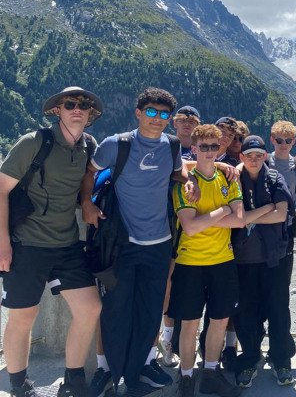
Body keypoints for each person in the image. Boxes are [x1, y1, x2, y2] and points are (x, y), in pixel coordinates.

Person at [82, 87, 192, 392]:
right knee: (115, 308)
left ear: (169, 119)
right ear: (139, 113)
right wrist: (87, 204)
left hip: (159, 243)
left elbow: (178, 173)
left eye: (163, 114)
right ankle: (107, 370)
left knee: (149, 308)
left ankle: (141, 366)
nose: (157, 119)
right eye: (152, 112)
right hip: (122, 244)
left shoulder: (171, 146)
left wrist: (191, 179)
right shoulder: (117, 144)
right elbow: (89, 174)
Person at [0, 87, 104, 397]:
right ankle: (20, 386)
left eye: (83, 105)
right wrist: (3, 242)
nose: (77, 109)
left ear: (90, 114)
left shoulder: (89, 145)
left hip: (67, 244)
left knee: (89, 309)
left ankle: (72, 381)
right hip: (26, 244)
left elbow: (89, 178)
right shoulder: (35, 142)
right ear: (57, 110)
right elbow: (1, 189)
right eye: (69, 104)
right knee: (23, 315)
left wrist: (86, 202)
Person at [170, 124, 246, 397]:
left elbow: (239, 220)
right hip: (190, 262)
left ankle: (210, 373)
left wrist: (208, 217)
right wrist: (223, 209)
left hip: (222, 261)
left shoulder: (228, 178)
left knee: (219, 320)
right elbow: (189, 227)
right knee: (190, 324)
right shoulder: (185, 182)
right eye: (204, 147)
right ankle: (187, 377)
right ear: (194, 148)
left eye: (215, 147)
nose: (210, 152)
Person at [232, 136, 296, 388]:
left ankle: (281, 361)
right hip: (244, 259)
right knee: (247, 312)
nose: (255, 159)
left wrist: (247, 218)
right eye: (250, 155)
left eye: (259, 154)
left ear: (265, 156)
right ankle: (250, 359)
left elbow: (281, 214)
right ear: (242, 157)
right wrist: (261, 212)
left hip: (274, 258)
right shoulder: (234, 178)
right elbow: (239, 218)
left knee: (279, 311)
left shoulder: (274, 178)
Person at [157, 105, 201, 368]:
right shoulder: (166, 145)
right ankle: (168, 340)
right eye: (182, 119)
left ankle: (182, 341)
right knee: (168, 283)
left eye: (191, 120)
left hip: (193, 224)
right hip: (168, 221)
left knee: (188, 285)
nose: (186, 124)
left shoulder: (202, 147)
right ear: (174, 123)